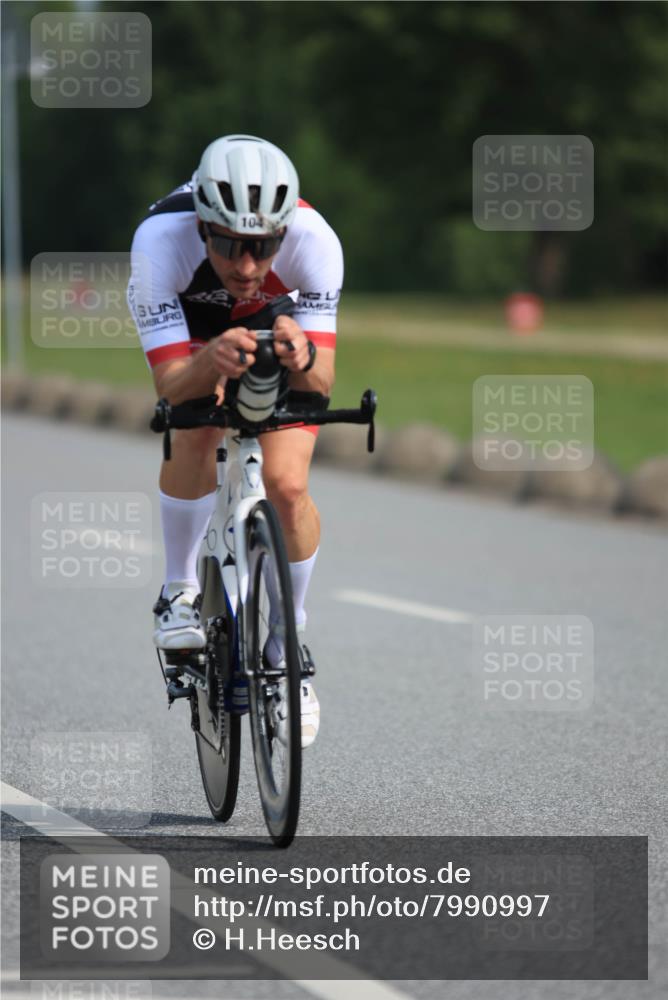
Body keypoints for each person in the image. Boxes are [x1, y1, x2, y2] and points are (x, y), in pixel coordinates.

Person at [127, 134, 343, 748]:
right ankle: (179, 591)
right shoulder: (160, 242)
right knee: (195, 428)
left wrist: (302, 356)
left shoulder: (316, 242)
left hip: (278, 317)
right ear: (202, 226)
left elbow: (322, 382)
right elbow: (171, 386)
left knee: (288, 485)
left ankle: (287, 642)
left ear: (283, 234)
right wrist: (209, 362)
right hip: (193, 325)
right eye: (227, 245)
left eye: (263, 247)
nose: (246, 267)